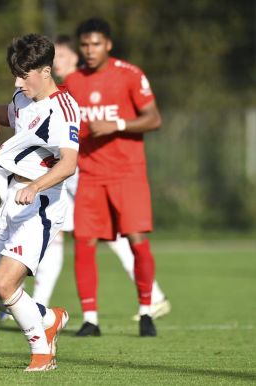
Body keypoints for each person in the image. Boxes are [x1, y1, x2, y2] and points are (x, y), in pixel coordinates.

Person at [33, 35, 171, 324]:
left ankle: (153, 296)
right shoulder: (65, 89)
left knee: (117, 238)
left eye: (60, 58)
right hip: (77, 174)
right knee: (71, 238)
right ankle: (40, 304)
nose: (55, 65)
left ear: (74, 57)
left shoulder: (81, 84)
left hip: (87, 173)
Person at [0, 34, 79, 371]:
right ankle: (47, 318)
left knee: (5, 283)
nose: (18, 82)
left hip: (41, 202)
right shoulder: (22, 96)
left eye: (25, 74)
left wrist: (35, 186)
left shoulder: (64, 108)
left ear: (46, 71)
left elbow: (68, 163)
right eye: (16, 74)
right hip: (11, 200)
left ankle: (41, 352)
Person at [64, 18, 163, 337]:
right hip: (90, 175)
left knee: (137, 241)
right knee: (83, 243)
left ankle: (147, 312)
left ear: (108, 44)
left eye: (95, 44)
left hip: (128, 173)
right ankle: (90, 319)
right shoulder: (73, 81)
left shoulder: (129, 74)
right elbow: (66, 124)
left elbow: (153, 118)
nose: (89, 51)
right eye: (84, 45)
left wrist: (117, 125)